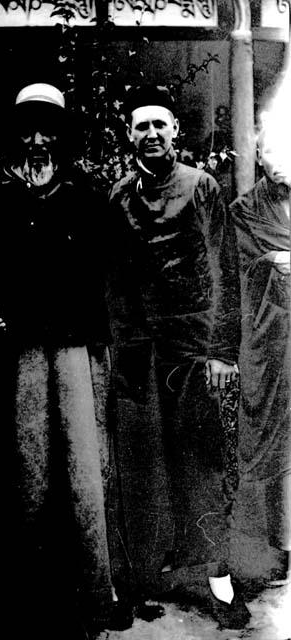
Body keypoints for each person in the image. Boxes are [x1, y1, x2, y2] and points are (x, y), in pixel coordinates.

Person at [0, 83, 132, 639]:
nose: (38, 142)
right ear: (14, 140)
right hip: (17, 360)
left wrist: (109, 336)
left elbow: (121, 279)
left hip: (78, 355)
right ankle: (27, 602)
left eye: (49, 131)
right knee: (24, 476)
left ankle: (96, 597)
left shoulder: (90, 203)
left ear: (64, 141)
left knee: (86, 477)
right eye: (27, 131)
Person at [108, 84, 250, 627]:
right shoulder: (119, 196)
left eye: (159, 126)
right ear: (129, 136)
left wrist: (220, 351)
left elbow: (225, 270)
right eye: (141, 126)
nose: (151, 135)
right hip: (142, 351)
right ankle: (146, 575)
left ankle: (217, 580)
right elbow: (116, 280)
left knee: (201, 462)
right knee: (143, 466)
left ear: (176, 133)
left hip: (195, 349)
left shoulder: (202, 187)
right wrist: (121, 349)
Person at [230, 118, 290, 587]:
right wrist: (271, 262)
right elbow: (239, 276)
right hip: (270, 342)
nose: (279, 162)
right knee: (272, 442)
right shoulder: (245, 210)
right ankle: (275, 548)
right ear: (257, 156)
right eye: (270, 151)